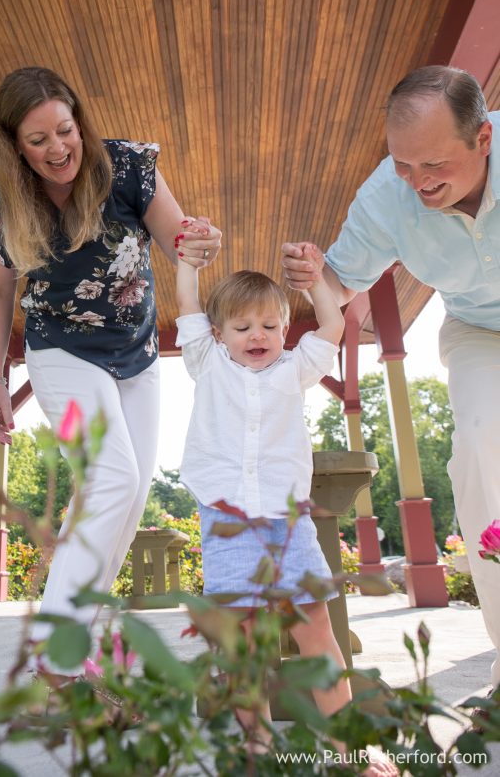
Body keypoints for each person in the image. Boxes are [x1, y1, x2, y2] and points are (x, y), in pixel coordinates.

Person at [0, 66, 221, 649]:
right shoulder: (2, 205)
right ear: (15, 147)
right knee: (112, 477)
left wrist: (200, 242)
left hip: (136, 354)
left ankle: (81, 636)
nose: (58, 148)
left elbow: (178, 237)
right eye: (38, 141)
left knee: (128, 498)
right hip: (60, 349)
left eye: (65, 129)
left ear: (79, 120)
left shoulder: (129, 166)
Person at [282, 64, 500, 692]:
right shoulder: (389, 194)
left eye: (432, 164)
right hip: (480, 332)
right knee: (482, 454)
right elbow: (339, 285)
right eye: (403, 164)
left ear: (483, 138)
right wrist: (312, 271)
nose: (418, 182)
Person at [175, 252, 395, 771]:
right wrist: (188, 262)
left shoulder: (296, 367)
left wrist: (317, 280)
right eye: (243, 326)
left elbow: (333, 322)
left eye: (270, 325)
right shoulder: (206, 361)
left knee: (316, 627)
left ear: (284, 328)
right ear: (218, 332)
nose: (257, 335)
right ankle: (256, 742)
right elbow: (186, 300)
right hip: (227, 522)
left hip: (287, 521)